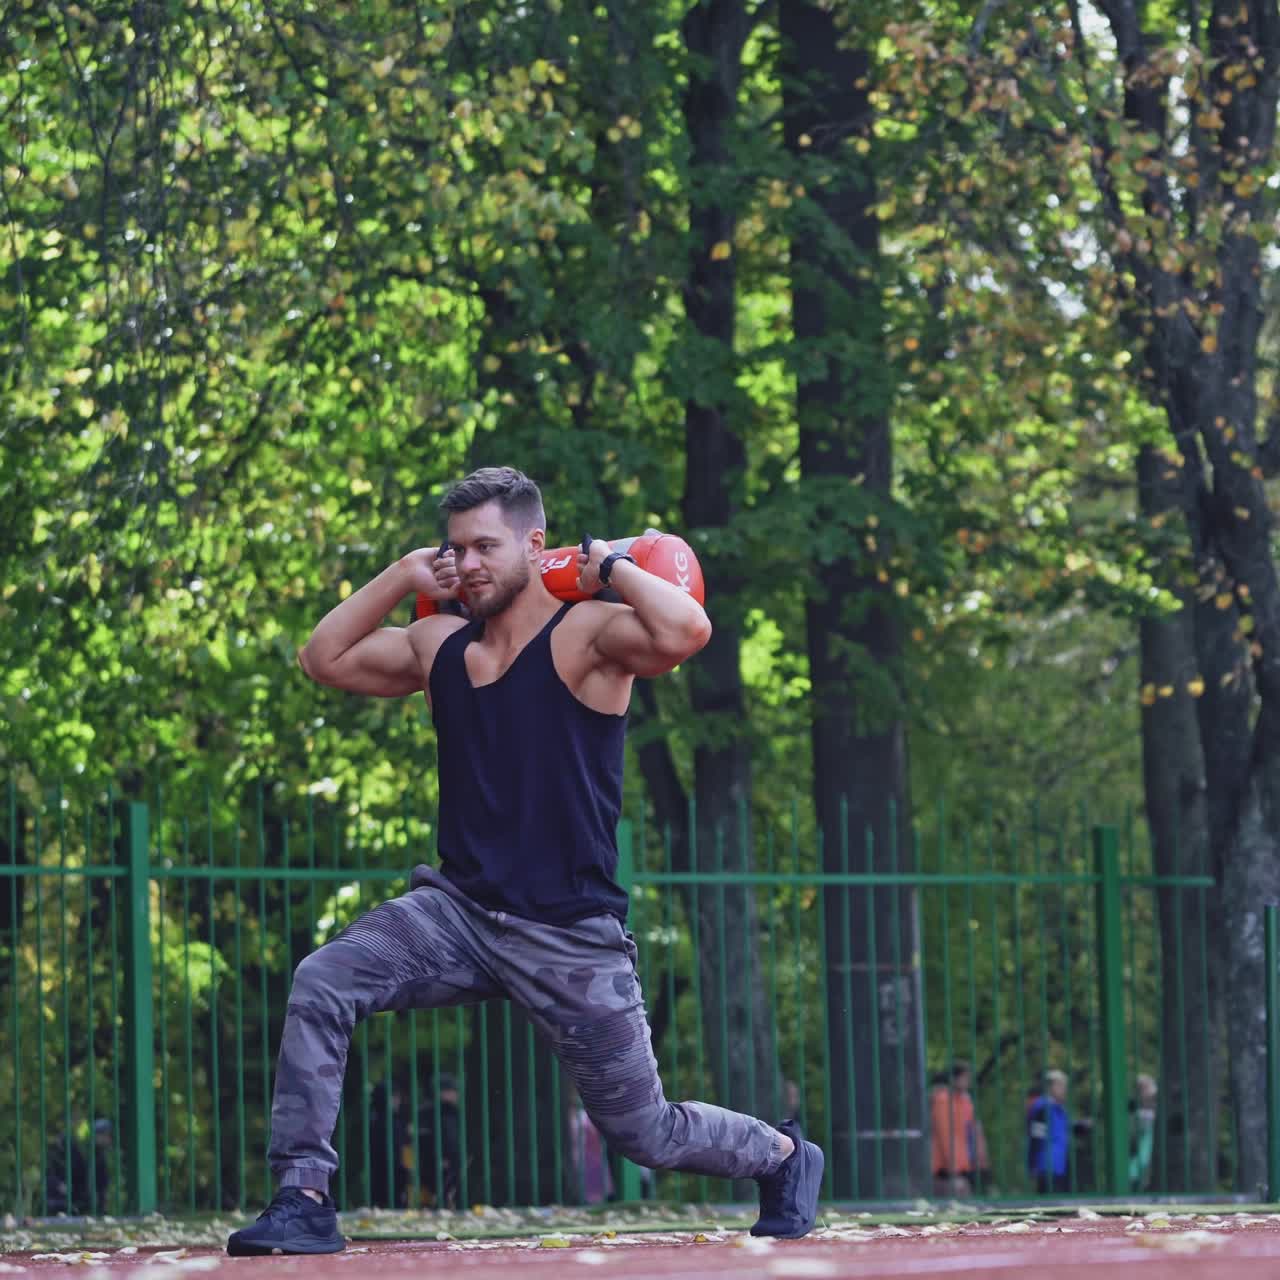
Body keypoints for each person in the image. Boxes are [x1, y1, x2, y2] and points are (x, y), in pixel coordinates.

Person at [227, 467, 823, 1256]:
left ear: (535, 546)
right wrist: (402, 575)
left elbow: (687, 632)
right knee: (323, 980)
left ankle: (782, 1156)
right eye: (455, 548)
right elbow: (323, 658)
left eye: (486, 547)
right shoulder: (439, 644)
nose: (467, 563)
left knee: (645, 1131)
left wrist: (610, 568)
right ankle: (302, 1199)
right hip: (458, 915)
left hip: (568, 932)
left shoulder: (587, 636)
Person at [930, 1060, 989, 1198]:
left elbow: (973, 1128)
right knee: (952, 1198)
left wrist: (980, 1156)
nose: (968, 1081)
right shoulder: (943, 1100)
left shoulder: (965, 1100)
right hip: (945, 1163)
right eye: (965, 1077)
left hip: (963, 1160)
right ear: (953, 1079)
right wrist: (952, 1166)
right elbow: (944, 1133)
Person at [1026, 1069, 1075, 1194]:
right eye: (1061, 1086)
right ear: (1051, 1086)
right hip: (1046, 1166)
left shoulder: (1059, 1108)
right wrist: (1033, 1165)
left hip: (1059, 1166)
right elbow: (1036, 1136)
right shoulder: (1043, 1107)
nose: (1064, 1090)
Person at [1128, 1073, 1158, 1191]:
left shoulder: (1159, 1109)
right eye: (1141, 1089)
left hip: (1151, 1156)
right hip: (1138, 1157)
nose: (1145, 1092)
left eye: (1146, 1087)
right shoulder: (1133, 1111)